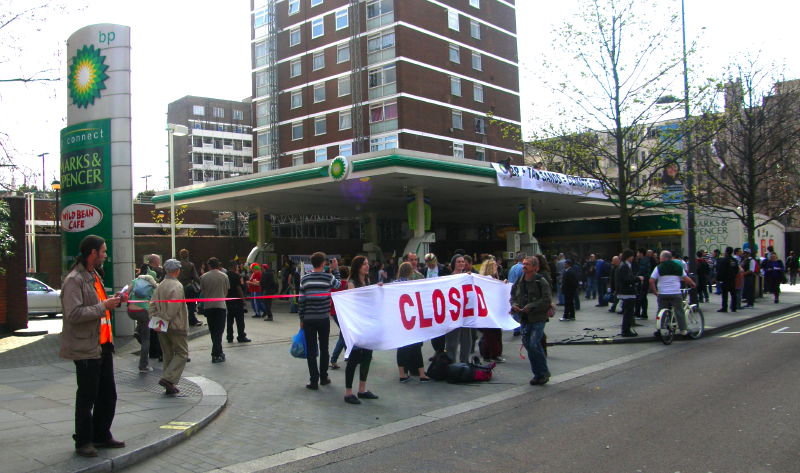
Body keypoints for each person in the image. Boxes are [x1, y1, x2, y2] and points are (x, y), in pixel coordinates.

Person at [59, 235, 124, 458]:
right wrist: (104, 305)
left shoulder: (93, 275)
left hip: (103, 344)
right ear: (93, 253)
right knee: (87, 397)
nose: (106, 255)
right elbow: (74, 314)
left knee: (108, 395)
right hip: (86, 347)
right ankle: (84, 440)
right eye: (103, 251)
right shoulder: (74, 279)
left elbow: (97, 306)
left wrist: (112, 301)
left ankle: (101, 435)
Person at [299, 252, 341, 390]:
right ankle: (324, 377)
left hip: (309, 319)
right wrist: (336, 269)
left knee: (311, 350)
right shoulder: (328, 277)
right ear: (323, 263)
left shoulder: (305, 279)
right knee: (324, 348)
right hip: (323, 318)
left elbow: (301, 300)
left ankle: (313, 381)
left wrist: (301, 318)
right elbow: (338, 285)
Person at [150, 259, 190, 395]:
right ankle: (168, 378)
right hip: (176, 324)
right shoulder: (177, 285)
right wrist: (166, 318)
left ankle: (169, 383)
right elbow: (174, 306)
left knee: (167, 353)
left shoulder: (160, 285)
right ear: (177, 271)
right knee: (182, 353)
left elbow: (152, 304)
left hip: (161, 325)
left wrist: (155, 320)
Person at [510, 256, 552, 385]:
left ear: (535, 267)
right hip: (524, 318)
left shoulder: (540, 281)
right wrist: (514, 305)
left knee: (534, 344)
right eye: (524, 263)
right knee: (528, 344)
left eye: (527, 264)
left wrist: (532, 306)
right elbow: (513, 295)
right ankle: (537, 374)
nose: (524, 266)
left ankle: (543, 373)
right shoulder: (519, 281)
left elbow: (546, 300)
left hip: (538, 318)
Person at [344, 255, 378, 404]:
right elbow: (353, 303)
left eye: (367, 263)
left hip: (367, 324)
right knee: (354, 359)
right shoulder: (351, 282)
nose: (367, 266)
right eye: (364, 264)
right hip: (356, 325)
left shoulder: (368, 281)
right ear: (357, 266)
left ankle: (362, 389)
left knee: (367, 357)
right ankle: (348, 392)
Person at [395, 262, 433, 382]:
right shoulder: (413, 284)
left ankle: (402, 374)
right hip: (413, 319)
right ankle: (422, 374)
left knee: (402, 347)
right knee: (416, 347)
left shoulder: (393, 284)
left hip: (401, 321)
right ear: (410, 272)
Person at [650, 250, 696, 336]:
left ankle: (659, 328)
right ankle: (683, 330)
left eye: (660, 257)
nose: (659, 259)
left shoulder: (658, 267)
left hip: (662, 294)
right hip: (675, 293)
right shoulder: (677, 267)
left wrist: (655, 291)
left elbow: (651, 280)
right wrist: (692, 284)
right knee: (679, 310)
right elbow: (686, 278)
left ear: (664, 258)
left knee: (661, 310)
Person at [125, 272, 157, 373]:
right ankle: (143, 365)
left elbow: (126, 293)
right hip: (143, 312)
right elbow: (154, 302)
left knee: (141, 322)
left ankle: (137, 330)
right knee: (146, 339)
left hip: (130, 311)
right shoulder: (152, 286)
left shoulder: (135, 281)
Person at [444, 254, 474, 363]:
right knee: (452, 340)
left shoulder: (468, 276)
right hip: (453, 313)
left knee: (467, 340)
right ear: (454, 264)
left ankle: (464, 363)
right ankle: (451, 364)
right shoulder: (449, 278)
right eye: (459, 261)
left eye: (462, 261)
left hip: (465, 312)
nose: (461, 263)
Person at [200, 257, 230, 363]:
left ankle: (218, 352)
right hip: (220, 306)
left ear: (209, 266)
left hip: (208, 306)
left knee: (213, 330)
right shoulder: (224, 276)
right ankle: (216, 354)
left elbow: (202, 291)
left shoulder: (203, 277)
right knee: (219, 331)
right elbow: (226, 291)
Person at [478, 258, 505, 362]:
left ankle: (488, 354)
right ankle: (494, 354)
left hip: (489, 310)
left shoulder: (487, 280)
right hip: (490, 310)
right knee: (492, 333)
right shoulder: (488, 280)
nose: (496, 267)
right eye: (494, 266)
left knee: (490, 334)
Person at [422, 253, 448, 352]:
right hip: (429, 302)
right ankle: (437, 350)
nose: (431, 265)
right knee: (432, 328)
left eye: (432, 263)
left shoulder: (443, 269)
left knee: (441, 326)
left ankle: (441, 349)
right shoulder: (424, 270)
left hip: (441, 300)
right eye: (428, 264)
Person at [329, 266, 350, 370]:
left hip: (334, 312)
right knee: (343, 335)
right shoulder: (348, 285)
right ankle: (334, 359)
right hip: (343, 313)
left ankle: (347, 355)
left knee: (344, 334)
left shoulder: (335, 284)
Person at [225, 261, 251, 343]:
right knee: (240, 320)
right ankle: (241, 336)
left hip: (228, 300)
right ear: (234, 267)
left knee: (229, 320)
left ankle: (229, 337)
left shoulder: (225, 275)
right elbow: (239, 288)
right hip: (237, 301)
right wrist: (243, 300)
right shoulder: (236, 276)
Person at [177, 249, 203, 327]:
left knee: (179, 305)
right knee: (191, 304)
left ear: (180, 255)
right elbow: (195, 277)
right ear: (188, 255)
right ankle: (192, 319)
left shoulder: (177, 265)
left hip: (178, 286)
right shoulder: (191, 265)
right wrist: (201, 284)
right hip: (188, 286)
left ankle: (181, 320)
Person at [616, 249, 638, 337]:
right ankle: (626, 331)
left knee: (628, 311)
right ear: (629, 256)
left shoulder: (623, 265)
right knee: (628, 312)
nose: (633, 258)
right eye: (632, 256)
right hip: (627, 292)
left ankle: (626, 329)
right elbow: (627, 279)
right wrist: (637, 279)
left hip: (625, 292)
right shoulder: (624, 266)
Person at [716, 247, 740, 313]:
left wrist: (718, 278)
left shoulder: (723, 260)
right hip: (732, 279)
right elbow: (737, 269)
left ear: (726, 252)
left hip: (725, 279)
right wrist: (734, 275)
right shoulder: (734, 260)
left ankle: (724, 308)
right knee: (733, 294)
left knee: (724, 295)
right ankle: (734, 307)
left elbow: (721, 270)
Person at [634, 249, 651, 319]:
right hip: (644, 280)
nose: (637, 254)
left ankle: (641, 313)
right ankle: (642, 313)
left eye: (638, 253)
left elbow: (642, 271)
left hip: (643, 281)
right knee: (643, 297)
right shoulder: (644, 260)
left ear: (641, 253)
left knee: (641, 297)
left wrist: (637, 277)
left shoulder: (643, 261)